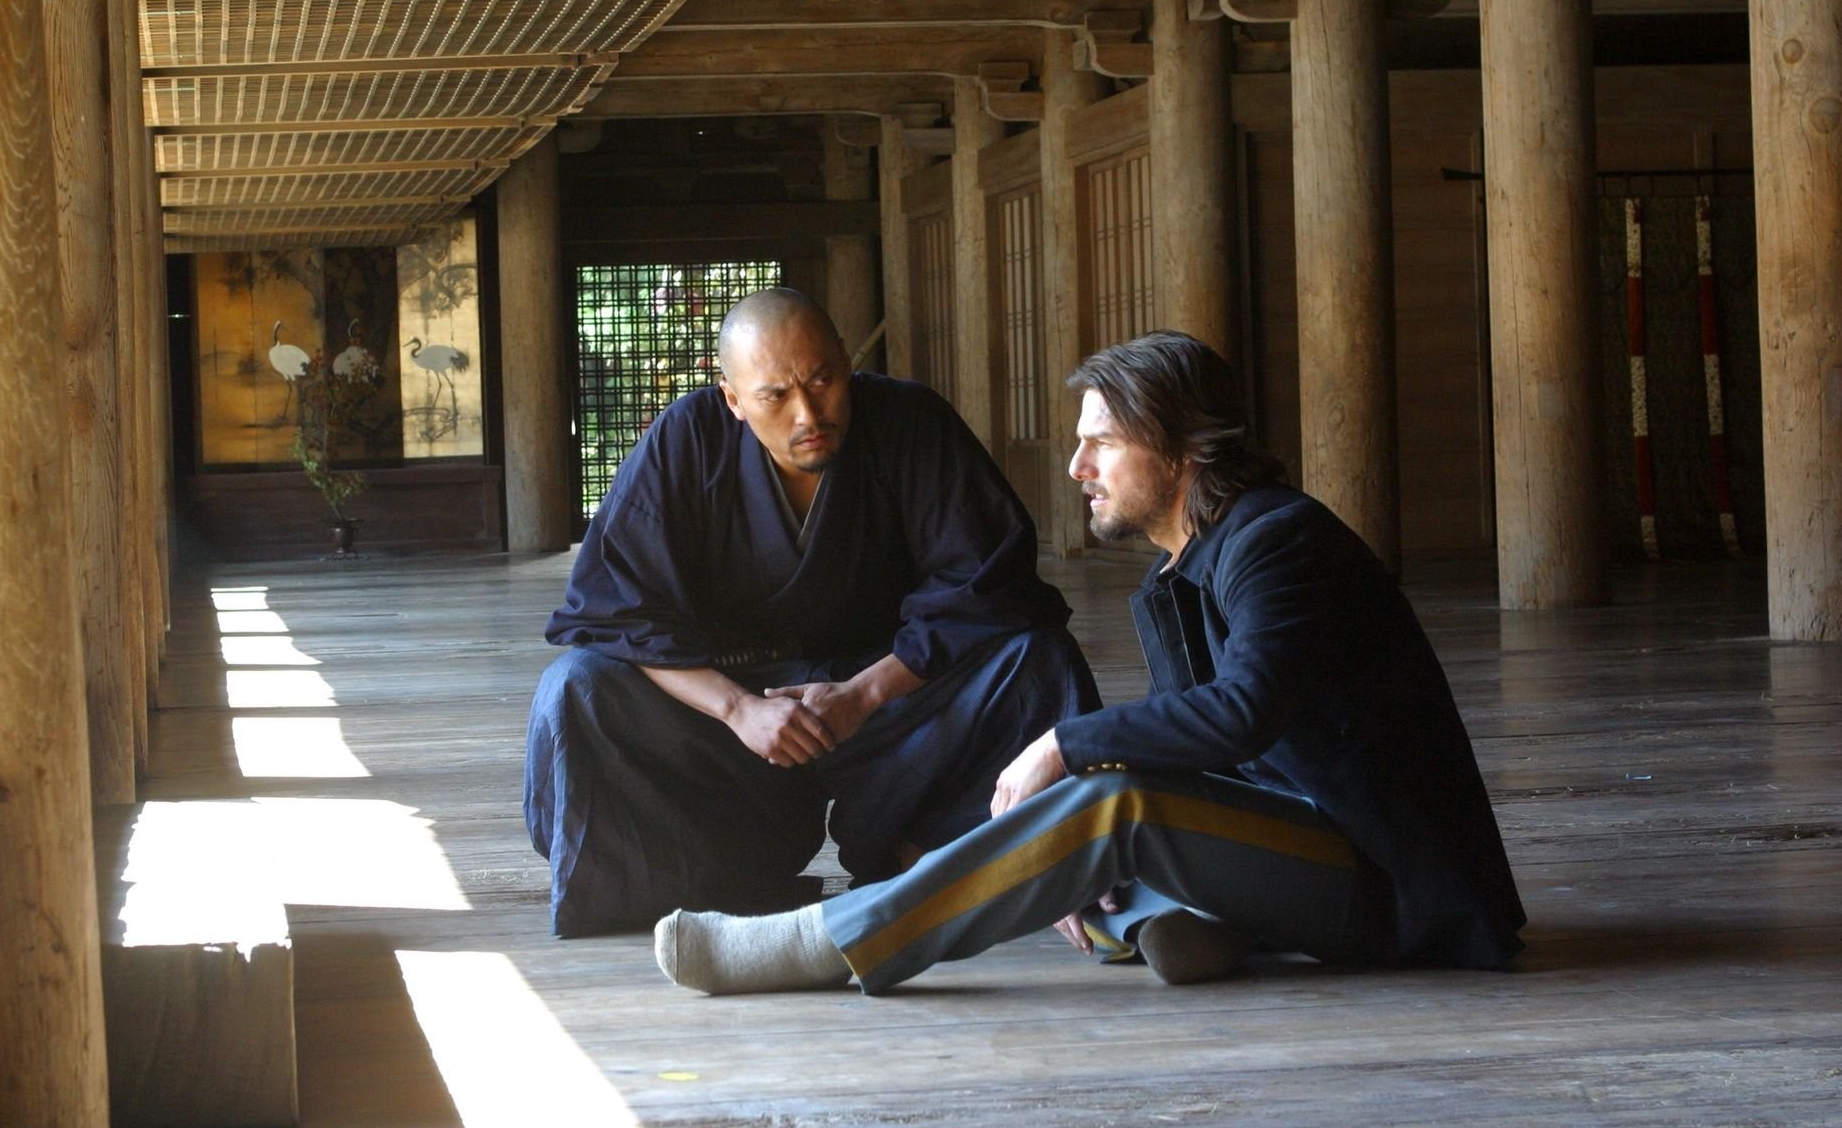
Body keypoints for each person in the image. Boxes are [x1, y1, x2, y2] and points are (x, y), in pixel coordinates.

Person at [653, 330, 1526, 994]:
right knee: (1097, 808)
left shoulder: (1276, 540)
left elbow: (1242, 711)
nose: (1076, 466)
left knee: (1109, 799)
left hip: (1391, 885)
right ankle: (1189, 921)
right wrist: (1065, 842)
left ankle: (826, 940)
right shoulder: (1174, 573)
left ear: (1184, 448)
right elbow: (1196, 750)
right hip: (1288, 841)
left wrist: (1064, 747)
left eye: (1102, 443)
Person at [526, 289, 1099, 937]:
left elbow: (987, 582)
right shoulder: (686, 440)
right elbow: (618, 609)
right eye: (775, 395)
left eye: (824, 379)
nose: (808, 412)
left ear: (846, 365)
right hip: (735, 725)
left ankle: (973, 855)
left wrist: (864, 693)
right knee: (576, 687)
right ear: (734, 400)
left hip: (893, 702)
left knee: (1037, 659)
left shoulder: (910, 422)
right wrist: (738, 708)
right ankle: (719, 874)